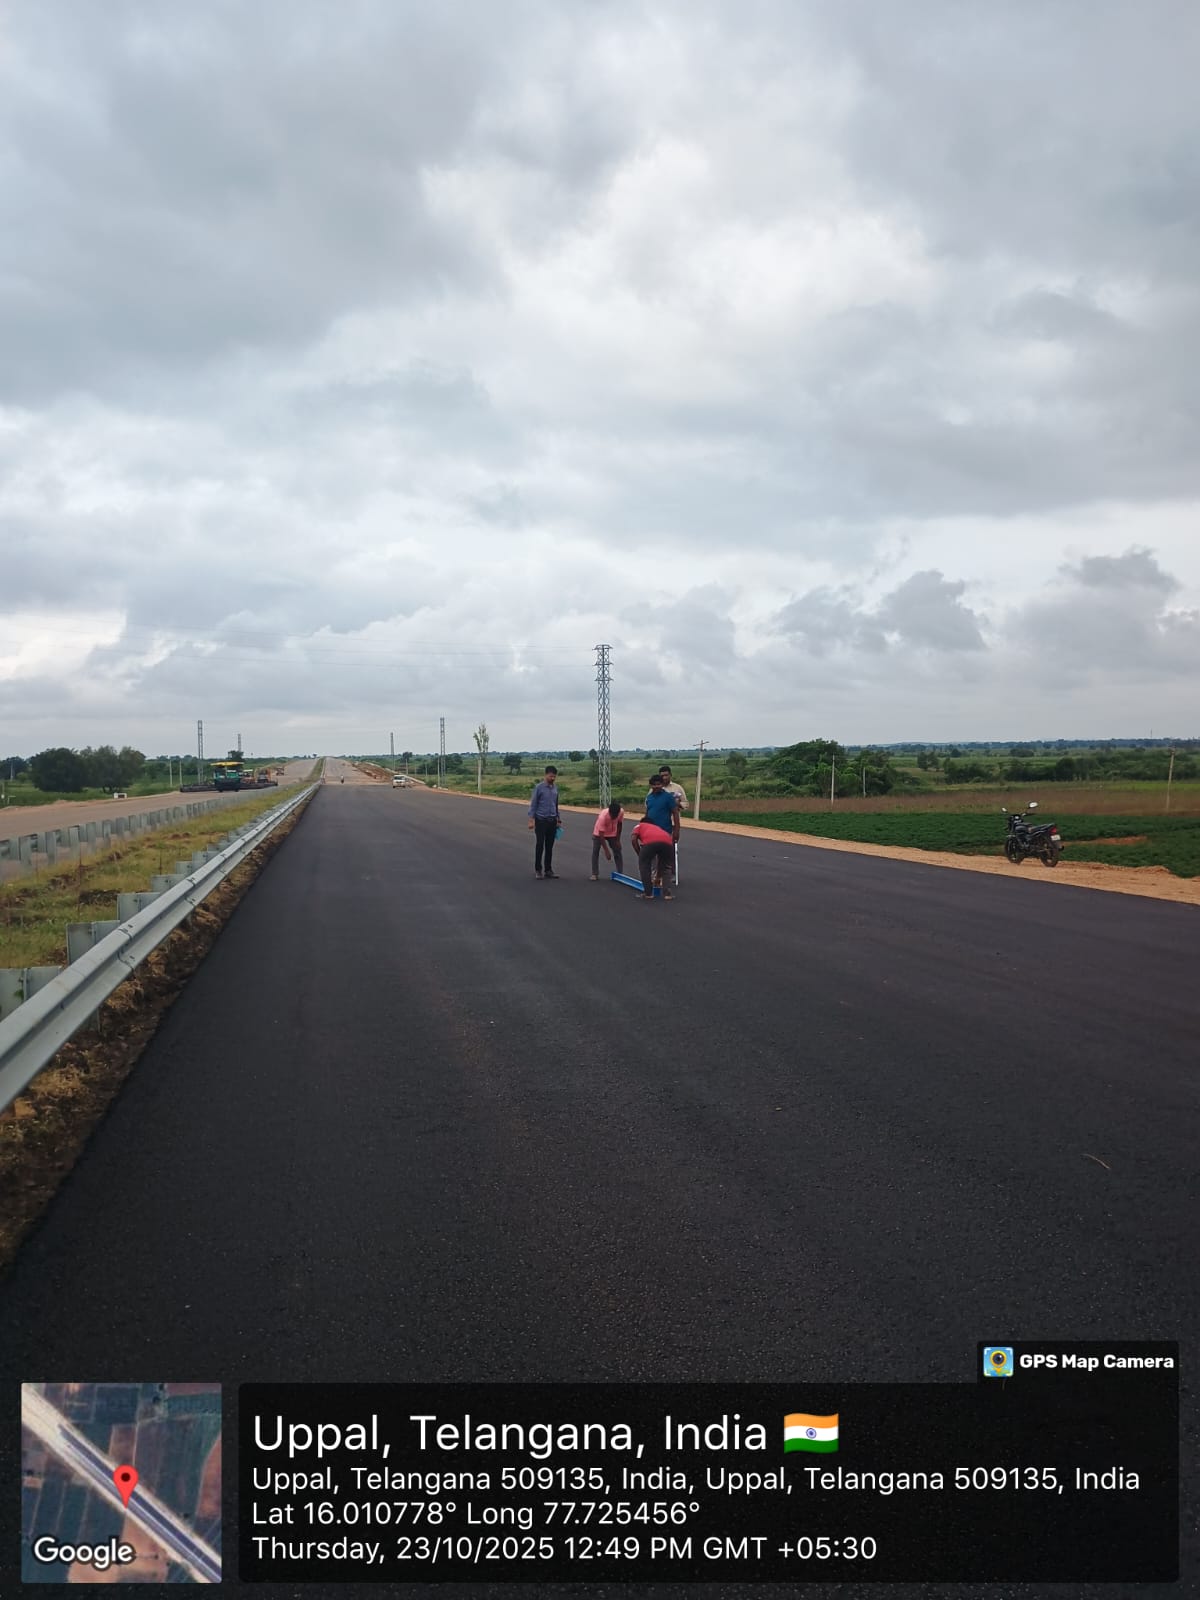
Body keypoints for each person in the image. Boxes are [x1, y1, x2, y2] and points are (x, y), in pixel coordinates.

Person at [643, 772, 680, 888]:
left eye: (659, 784)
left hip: (665, 831)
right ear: (651, 785)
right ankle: (655, 877)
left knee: (664, 856)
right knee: (652, 856)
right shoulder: (649, 798)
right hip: (651, 831)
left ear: (662, 785)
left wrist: (677, 830)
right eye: (654, 784)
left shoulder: (668, 797)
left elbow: (675, 813)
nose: (656, 786)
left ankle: (665, 879)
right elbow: (647, 813)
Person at [527, 765, 562, 878]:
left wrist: (558, 819)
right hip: (541, 820)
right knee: (540, 845)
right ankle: (538, 870)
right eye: (551, 776)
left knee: (549, 846)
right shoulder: (539, 788)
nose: (552, 778)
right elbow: (533, 804)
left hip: (552, 820)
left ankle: (548, 870)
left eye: (554, 776)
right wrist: (531, 820)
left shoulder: (555, 788)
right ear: (546, 775)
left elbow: (556, 805)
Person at [630, 815, 674, 900]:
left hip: (650, 843)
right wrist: (658, 877)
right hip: (668, 842)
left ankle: (648, 893)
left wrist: (639, 853)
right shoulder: (657, 828)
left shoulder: (640, 825)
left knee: (644, 866)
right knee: (666, 867)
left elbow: (633, 839)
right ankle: (667, 894)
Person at [590, 800, 625, 879]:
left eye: (615, 815)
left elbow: (619, 824)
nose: (614, 817)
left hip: (612, 833)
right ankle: (594, 874)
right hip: (599, 833)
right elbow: (601, 835)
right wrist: (606, 851)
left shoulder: (621, 812)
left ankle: (620, 873)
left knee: (617, 850)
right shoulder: (603, 816)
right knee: (595, 851)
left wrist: (618, 840)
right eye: (612, 815)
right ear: (609, 812)